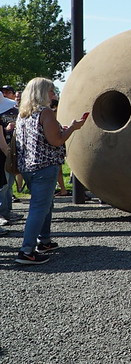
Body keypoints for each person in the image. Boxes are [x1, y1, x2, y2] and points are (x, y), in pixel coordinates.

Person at [14, 78, 88, 264]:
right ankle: (27, 251)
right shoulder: (46, 113)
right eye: (51, 91)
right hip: (44, 167)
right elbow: (56, 141)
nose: (54, 94)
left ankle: (44, 240)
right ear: (41, 93)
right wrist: (72, 128)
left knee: (45, 205)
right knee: (39, 208)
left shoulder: (22, 114)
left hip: (27, 167)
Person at [0, 93, 20, 226]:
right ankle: (3, 212)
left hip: (8, 151)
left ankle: (7, 211)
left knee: (8, 184)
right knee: (4, 186)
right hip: (5, 153)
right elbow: (1, 142)